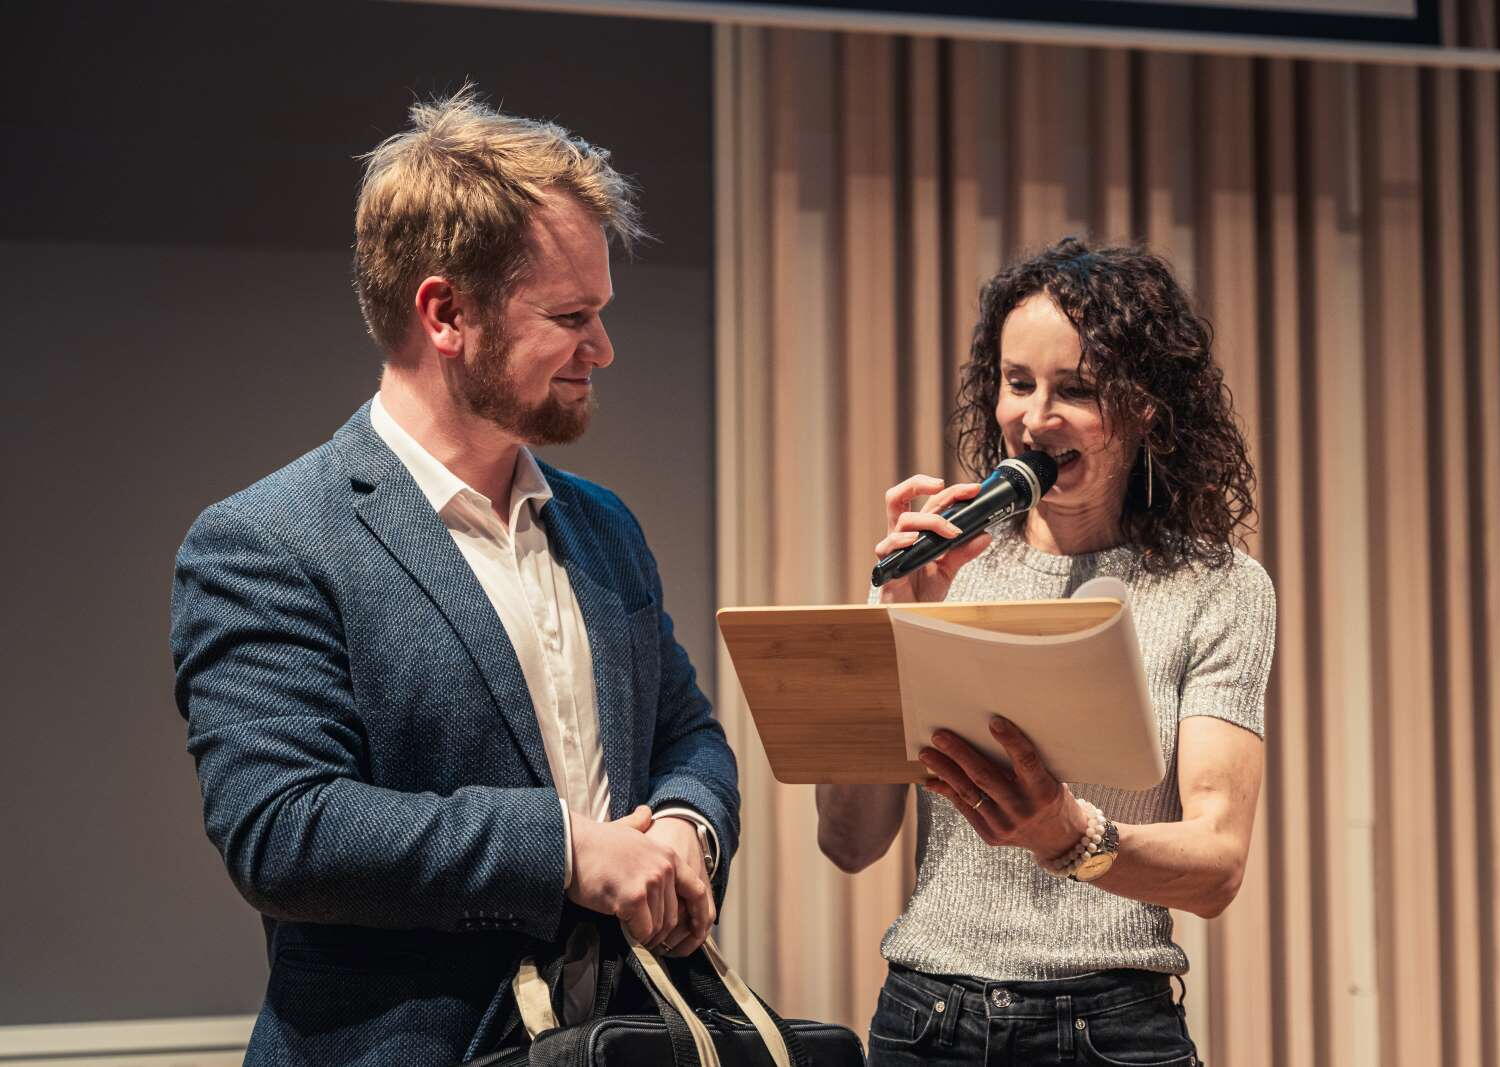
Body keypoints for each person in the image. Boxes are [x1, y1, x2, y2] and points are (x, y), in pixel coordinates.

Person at [170, 89, 738, 1065]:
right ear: (445, 313)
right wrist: (566, 850)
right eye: (570, 316)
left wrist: (690, 823)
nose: (602, 348)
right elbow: (282, 827)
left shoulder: (603, 526)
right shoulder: (265, 541)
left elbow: (686, 733)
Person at [816, 237, 1275, 1065]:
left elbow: (1217, 866)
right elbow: (849, 841)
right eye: (1017, 382)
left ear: (1147, 408)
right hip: (927, 1018)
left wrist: (1071, 833)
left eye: (1077, 389)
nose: (1033, 420)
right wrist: (896, 623)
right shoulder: (948, 562)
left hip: (1110, 1027)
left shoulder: (1219, 586)